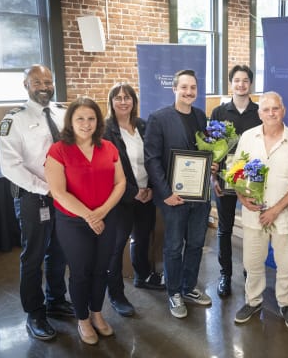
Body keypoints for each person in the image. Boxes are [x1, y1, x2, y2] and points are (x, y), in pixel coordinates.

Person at [0, 64, 74, 341]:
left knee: (60, 250)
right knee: (33, 256)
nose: (44, 86)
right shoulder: (13, 120)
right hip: (33, 198)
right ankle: (34, 312)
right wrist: (47, 188)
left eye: (48, 81)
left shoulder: (63, 113)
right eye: (37, 81)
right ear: (26, 85)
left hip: (63, 196)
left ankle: (56, 300)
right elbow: (11, 167)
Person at [44, 97, 126, 345]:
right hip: (73, 223)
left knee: (102, 270)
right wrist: (90, 216)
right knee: (80, 272)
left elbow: (120, 182)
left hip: (107, 218)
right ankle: (82, 319)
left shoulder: (109, 147)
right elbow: (58, 192)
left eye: (91, 118)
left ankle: (97, 314)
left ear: (98, 122)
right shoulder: (57, 150)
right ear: (70, 120)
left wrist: (102, 212)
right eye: (80, 118)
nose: (86, 123)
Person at [233, 91, 288, 330]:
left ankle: (286, 304)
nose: (271, 113)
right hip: (253, 215)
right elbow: (236, 172)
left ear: (283, 111)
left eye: (275, 109)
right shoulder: (247, 137)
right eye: (266, 110)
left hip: (284, 216)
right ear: (259, 113)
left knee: (286, 266)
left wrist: (276, 209)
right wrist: (242, 197)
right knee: (252, 262)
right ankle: (253, 301)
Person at [144, 69, 217, 319]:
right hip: (173, 198)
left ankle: (188, 287)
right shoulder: (158, 118)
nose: (189, 92)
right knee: (174, 247)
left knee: (196, 244)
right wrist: (165, 193)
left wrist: (212, 163)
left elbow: (204, 151)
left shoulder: (200, 116)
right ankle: (174, 292)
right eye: (184, 87)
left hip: (200, 196)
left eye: (193, 88)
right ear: (174, 89)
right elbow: (152, 160)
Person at [103, 82, 163, 318]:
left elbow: (152, 158)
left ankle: (142, 276)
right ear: (111, 102)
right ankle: (116, 295)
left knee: (142, 236)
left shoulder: (143, 126)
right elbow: (106, 169)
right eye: (118, 97)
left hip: (146, 194)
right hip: (121, 198)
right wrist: (132, 191)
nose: (123, 101)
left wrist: (148, 187)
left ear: (134, 101)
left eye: (127, 97)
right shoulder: (105, 131)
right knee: (116, 247)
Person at [211, 65, 262, 297]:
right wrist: (213, 177)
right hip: (224, 181)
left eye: (245, 81)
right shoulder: (219, 113)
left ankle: (250, 272)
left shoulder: (260, 112)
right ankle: (225, 275)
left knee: (253, 230)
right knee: (224, 230)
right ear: (230, 83)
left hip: (252, 182)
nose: (241, 85)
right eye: (237, 80)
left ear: (250, 84)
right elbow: (212, 149)